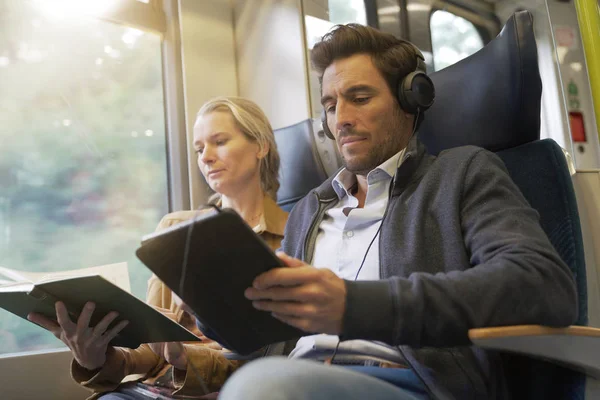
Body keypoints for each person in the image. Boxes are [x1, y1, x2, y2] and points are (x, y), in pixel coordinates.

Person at [217, 24, 578, 400]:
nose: (340, 119)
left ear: (410, 101)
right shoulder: (310, 208)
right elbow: (272, 340)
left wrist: (354, 305)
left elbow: (541, 284)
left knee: (264, 388)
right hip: (299, 377)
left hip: (413, 383)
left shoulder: (460, 174)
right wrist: (218, 315)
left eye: (359, 97)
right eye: (330, 105)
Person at [28, 96, 288, 399]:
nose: (205, 157)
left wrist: (184, 358)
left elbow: (271, 360)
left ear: (260, 146)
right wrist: (96, 359)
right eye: (199, 149)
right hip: (150, 388)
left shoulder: (294, 236)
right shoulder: (175, 229)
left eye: (219, 141)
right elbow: (151, 351)